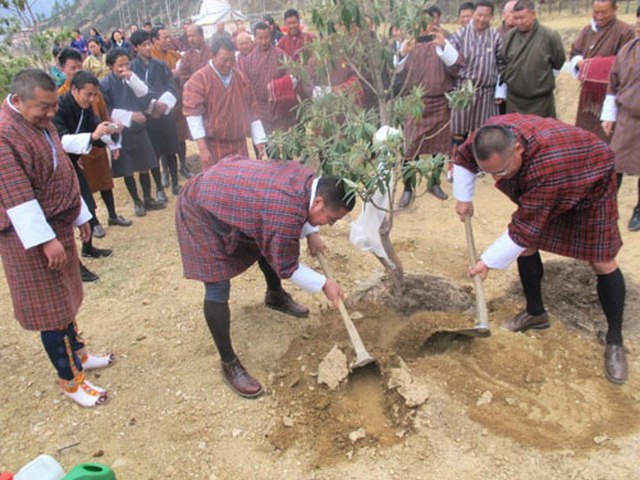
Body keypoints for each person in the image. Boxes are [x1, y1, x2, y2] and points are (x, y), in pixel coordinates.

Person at [453, 114, 628, 385]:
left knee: (601, 260)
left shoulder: (547, 167)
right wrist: (463, 197)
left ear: (518, 150)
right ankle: (536, 314)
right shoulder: (486, 137)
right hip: (551, 183)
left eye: (501, 172)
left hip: (591, 179)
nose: (497, 179)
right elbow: (464, 158)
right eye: (489, 173)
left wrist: (486, 262)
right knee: (527, 247)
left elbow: (524, 228)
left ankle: (615, 341)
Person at [175, 156, 355, 397]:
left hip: (234, 195)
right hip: (202, 209)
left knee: (267, 240)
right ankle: (229, 364)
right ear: (319, 202)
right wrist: (325, 285)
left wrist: (312, 231)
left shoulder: (308, 181)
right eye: (331, 219)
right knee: (217, 285)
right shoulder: (283, 210)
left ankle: (274, 295)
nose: (330, 225)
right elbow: (287, 266)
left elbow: (290, 223)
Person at [0, 69, 115, 407]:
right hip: (29, 236)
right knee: (50, 309)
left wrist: (81, 214)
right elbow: (17, 194)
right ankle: (70, 379)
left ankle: (78, 354)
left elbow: (63, 169)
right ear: (18, 101)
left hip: (57, 222)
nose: (52, 114)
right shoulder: (5, 134)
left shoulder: (40, 122)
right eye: (44, 107)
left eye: (53, 106)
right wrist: (45, 239)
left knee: (65, 299)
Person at [396, 14, 464, 207]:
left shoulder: (442, 39)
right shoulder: (408, 42)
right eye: (419, 22)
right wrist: (402, 53)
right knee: (410, 149)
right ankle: (408, 188)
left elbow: (456, 67)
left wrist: (443, 46)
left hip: (439, 102)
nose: (424, 26)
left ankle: (434, 183)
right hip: (415, 103)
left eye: (427, 21)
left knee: (439, 149)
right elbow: (396, 71)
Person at [54, 71, 118, 268]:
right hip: (55, 168)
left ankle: (88, 247)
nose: (91, 99)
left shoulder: (86, 109)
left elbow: (96, 132)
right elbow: (60, 140)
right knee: (63, 216)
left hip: (71, 164)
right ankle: (73, 263)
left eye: (94, 95)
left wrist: (111, 131)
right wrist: (93, 136)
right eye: (87, 94)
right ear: (74, 90)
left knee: (87, 205)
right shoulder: (59, 107)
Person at [183, 36, 267, 169]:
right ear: (212, 56)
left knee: (242, 184)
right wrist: (203, 149)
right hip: (213, 147)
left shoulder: (241, 78)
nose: (228, 64)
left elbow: (253, 112)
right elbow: (193, 115)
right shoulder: (199, 79)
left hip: (239, 145)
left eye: (231, 60)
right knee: (218, 187)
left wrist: (260, 142)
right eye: (224, 60)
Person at [100, 48, 166, 217]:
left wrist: (132, 79)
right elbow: (106, 110)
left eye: (126, 64)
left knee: (145, 165)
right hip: (121, 132)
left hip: (139, 129)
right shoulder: (105, 84)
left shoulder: (132, 78)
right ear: (110, 66)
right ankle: (137, 201)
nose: (123, 68)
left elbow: (146, 95)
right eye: (119, 65)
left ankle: (148, 197)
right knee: (128, 168)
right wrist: (130, 115)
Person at [570, 0, 635, 143]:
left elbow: (626, 62)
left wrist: (592, 66)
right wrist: (579, 63)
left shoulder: (625, 32)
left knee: (607, 138)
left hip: (610, 94)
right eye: (596, 12)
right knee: (584, 136)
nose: (599, 16)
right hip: (588, 98)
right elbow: (575, 52)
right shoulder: (587, 30)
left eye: (604, 12)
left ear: (615, 9)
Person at [601, 6, 640, 232]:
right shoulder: (628, 50)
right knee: (615, 165)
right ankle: (608, 206)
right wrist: (609, 116)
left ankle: (639, 210)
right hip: (627, 117)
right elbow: (613, 85)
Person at [130, 29, 181, 198]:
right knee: (153, 154)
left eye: (149, 44)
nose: (147, 48)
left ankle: (175, 182)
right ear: (136, 47)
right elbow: (133, 94)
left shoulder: (160, 65)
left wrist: (163, 104)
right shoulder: (132, 69)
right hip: (148, 117)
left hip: (164, 114)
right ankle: (159, 187)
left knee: (171, 149)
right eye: (143, 45)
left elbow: (171, 87)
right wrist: (152, 107)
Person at [450, 1, 504, 157]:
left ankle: (478, 162)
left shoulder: (495, 37)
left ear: (491, 17)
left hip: (486, 92)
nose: (482, 18)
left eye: (486, 15)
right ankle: (457, 161)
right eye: (479, 14)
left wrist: (500, 91)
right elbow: (450, 62)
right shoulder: (460, 35)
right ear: (474, 14)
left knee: (482, 131)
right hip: (462, 90)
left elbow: (501, 64)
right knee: (458, 129)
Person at [502, 0, 565, 118]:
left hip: (540, 102)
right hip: (514, 101)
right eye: (516, 18)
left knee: (542, 134)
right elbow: (505, 61)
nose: (519, 22)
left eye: (522, 17)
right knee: (514, 134)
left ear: (534, 14)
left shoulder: (549, 35)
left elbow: (558, 62)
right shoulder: (509, 37)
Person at [240, 22, 298, 135]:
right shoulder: (248, 60)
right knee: (265, 146)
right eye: (260, 38)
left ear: (270, 36)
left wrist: (278, 86)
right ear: (254, 38)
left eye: (266, 37)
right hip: (259, 109)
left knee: (285, 143)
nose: (263, 41)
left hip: (280, 109)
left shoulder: (280, 55)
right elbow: (245, 86)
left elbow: (293, 75)